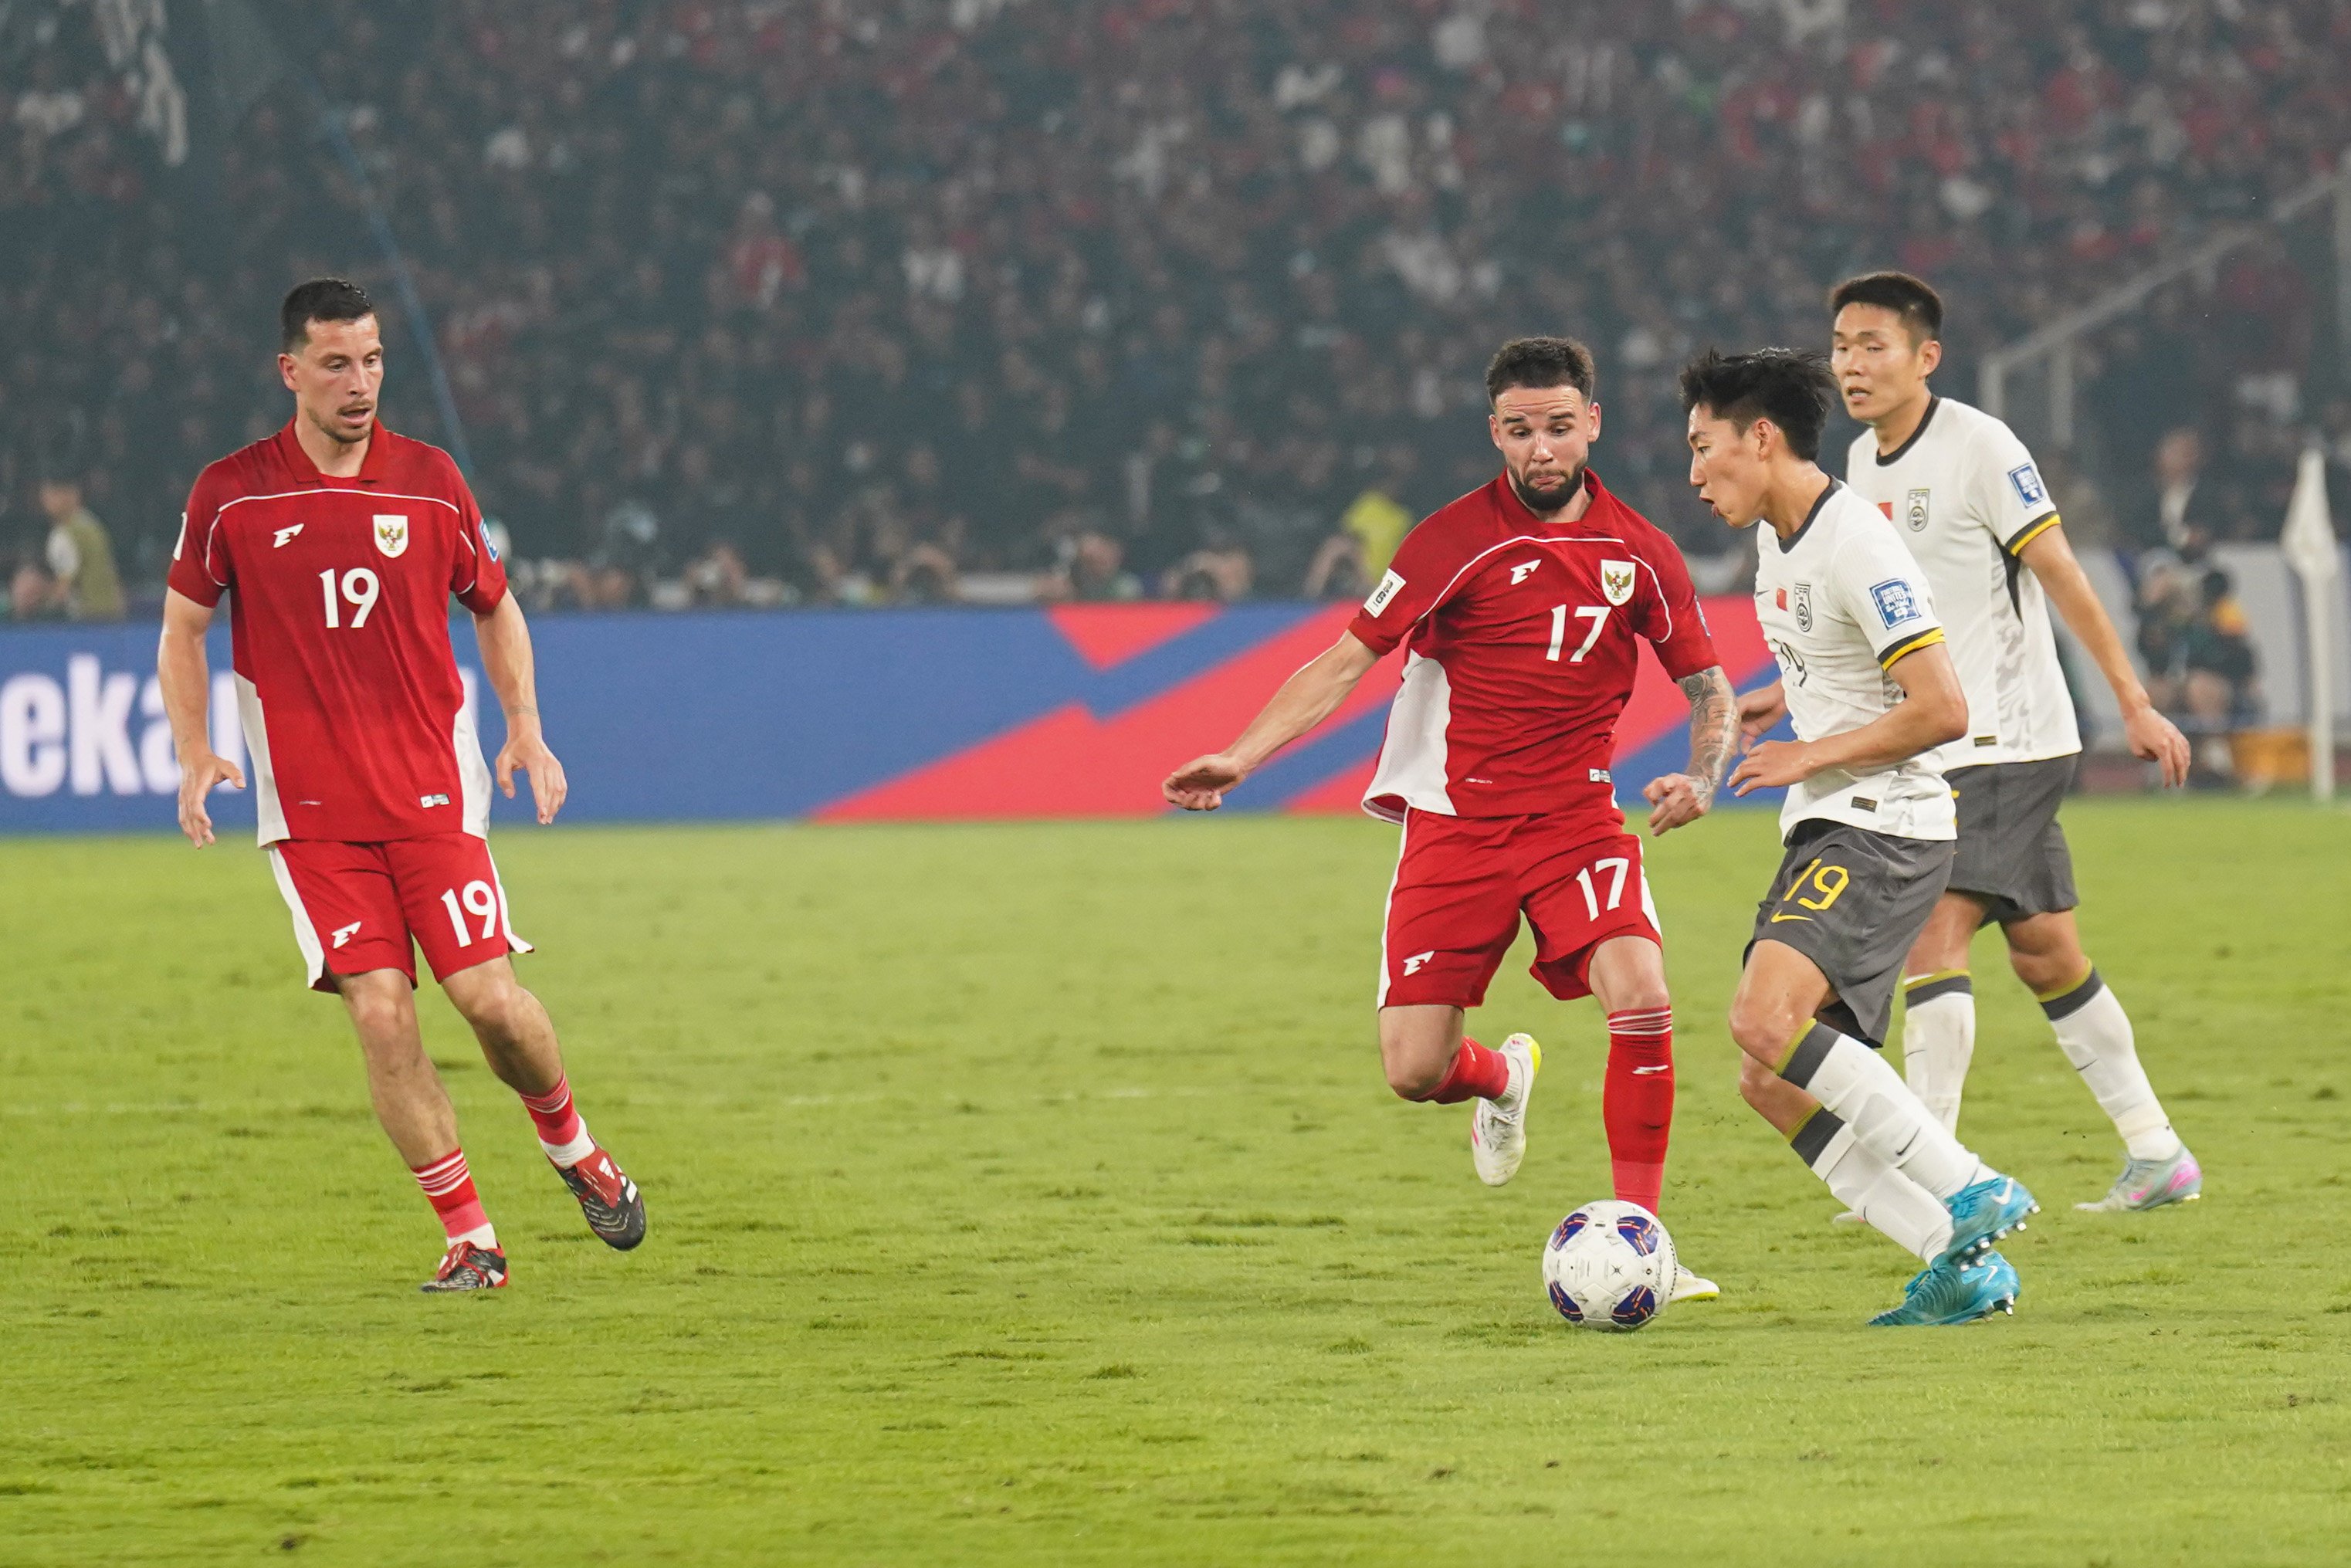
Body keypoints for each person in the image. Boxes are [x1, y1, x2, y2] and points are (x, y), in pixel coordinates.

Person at [1162, 337, 1741, 1303]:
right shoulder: (1450, 539)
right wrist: (1244, 754)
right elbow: (1346, 661)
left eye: (1559, 427)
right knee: (1414, 1069)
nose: (1542, 449)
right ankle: (1499, 1083)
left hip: (1575, 821)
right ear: (1496, 434)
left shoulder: (1641, 550)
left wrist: (1702, 776)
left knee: (1641, 993)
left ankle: (1647, 1241)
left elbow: (1711, 689)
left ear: (1592, 423)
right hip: (1458, 828)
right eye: (1521, 432)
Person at [154, 278, 645, 1293]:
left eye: (373, 360)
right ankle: (472, 1237)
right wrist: (194, 746)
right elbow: (183, 629)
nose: (359, 382)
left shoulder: (429, 480)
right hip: (315, 821)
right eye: (336, 363)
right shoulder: (232, 491)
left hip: (432, 796)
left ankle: (575, 1147)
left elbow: (496, 608)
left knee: (491, 1002)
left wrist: (525, 728)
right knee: (381, 1013)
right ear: (289, 372)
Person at [1795, 270, 2200, 1214]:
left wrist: (2134, 705)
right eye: (1842, 346)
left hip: (2008, 740)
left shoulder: (1982, 446)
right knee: (2047, 952)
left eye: (1873, 346)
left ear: (1925, 356)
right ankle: (2156, 1151)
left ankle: (1928, 1167)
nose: (1852, 364)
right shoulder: (1860, 464)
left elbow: (2061, 572)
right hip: (1946, 743)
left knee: (1936, 933)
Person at [1681, 346, 2035, 1326]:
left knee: (1761, 1021)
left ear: (1761, 436)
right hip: (1835, 822)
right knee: (1767, 1079)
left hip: (1885, 826)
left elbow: (1942, 707)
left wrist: (1809, 752)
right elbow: (1847, 661)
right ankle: (1953, 1261)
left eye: (1704, 448)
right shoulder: (1781, 537)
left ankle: (1971, 1185)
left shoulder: (1857, 544)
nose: (1695, 474)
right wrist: (1776, 703)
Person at [36, 476, 127, 621]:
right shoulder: (93, 526)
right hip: (111, 613)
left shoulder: (66, 535)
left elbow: (65, 586)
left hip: (87, 618)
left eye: (51, 494)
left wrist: (39, 607)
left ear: (70, 495)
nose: (46, 501)